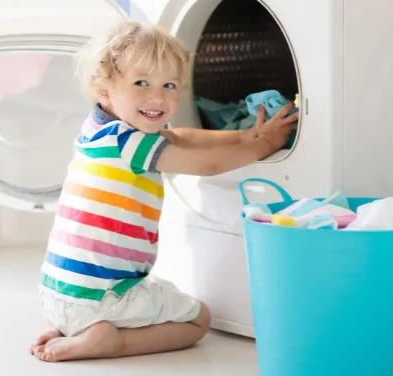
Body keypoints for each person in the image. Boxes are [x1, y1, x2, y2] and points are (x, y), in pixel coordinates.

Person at [30, 21, 298, 362]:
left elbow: (182, 137)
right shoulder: (131, 144)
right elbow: (209, 165)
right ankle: (109, 341)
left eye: (169, 85)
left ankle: (72, 328)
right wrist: (266, 145)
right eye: (141, 82)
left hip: (56, 292)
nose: (157, 97)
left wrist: (244, 137)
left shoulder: (100, 131)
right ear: (105, 90)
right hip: (104, 295)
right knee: (199, 319)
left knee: (148, 298)